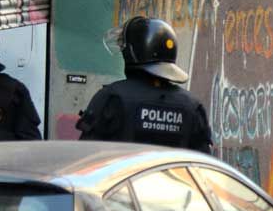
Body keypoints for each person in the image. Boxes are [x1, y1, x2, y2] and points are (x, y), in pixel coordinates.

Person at [76, 17, 213, 152]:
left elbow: (86, 156)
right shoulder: (192, 107)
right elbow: (204, 165)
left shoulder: (112, 98)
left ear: (130, 54)